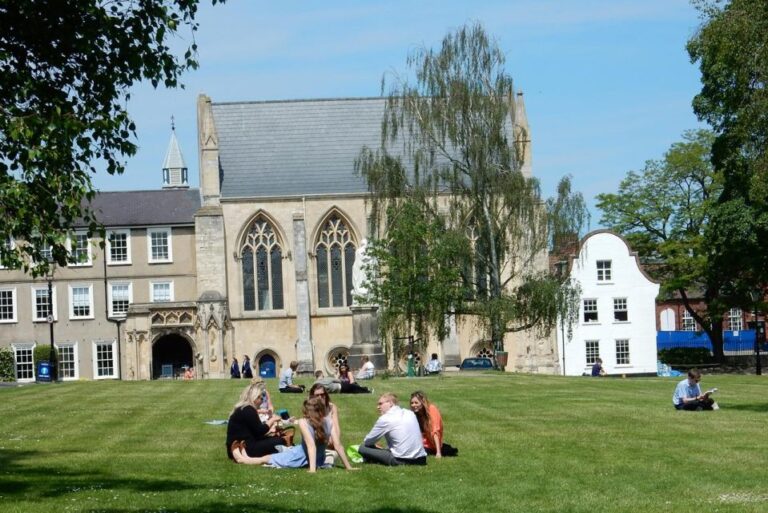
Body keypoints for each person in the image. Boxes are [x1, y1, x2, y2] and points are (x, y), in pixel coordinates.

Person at [231, 397, 333, 472]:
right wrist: (348, 466)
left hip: (300, 457)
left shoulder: (303, 422)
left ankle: (243, 460)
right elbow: (336, 444)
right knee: (278, 452)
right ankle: (246, 458)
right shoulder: (329, 421)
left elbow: (311, 446)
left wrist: (312, 470)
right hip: (319, 458)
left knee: (268, 458)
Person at [359, 392, 427, 466]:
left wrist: (374, 446)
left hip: (401, 460)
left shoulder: (385, 419)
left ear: (390, 403)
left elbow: (368, 442)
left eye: (380, 404)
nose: (378, 407)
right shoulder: (410, 413)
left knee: (362, 448)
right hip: (422, 459)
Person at [226, 381, 285, 461]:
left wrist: (271, 432)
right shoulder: (249, 410)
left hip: (239, 445)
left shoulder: (242, 408)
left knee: (274, 438)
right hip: (244, 448)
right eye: (260, 398)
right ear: (254, 398)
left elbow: (255, 432)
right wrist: (273, 419)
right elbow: (260, 431)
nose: (262, 401)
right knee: (281, 441)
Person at [307, 383, 357, 470]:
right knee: (330, 454)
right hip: (316, 441)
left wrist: (335, 441)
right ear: (312, 397)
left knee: (335, 452)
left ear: (326, 395)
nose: (320, 397)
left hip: (329, 440)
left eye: (322, 395)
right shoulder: (310, 409)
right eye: (317, 395)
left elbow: (336, 426)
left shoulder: (331, 407)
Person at [410, 391, 457, 457]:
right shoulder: (414, 414)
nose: (413, 405)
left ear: (422, 402)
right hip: (422, 442)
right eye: (412, 403)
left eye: (416, 403)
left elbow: (435, 432)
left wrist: (438, 452)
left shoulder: (432, 410)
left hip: (430, 444)